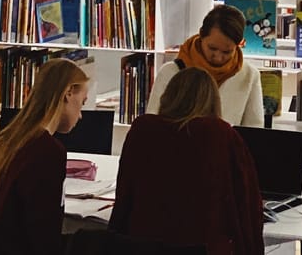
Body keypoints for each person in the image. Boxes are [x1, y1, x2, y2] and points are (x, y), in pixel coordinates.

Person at [112, 67, 264, 255]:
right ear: (213, 100)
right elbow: (246, 199)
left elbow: (125, 190)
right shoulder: (221, 134)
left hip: (143, 243)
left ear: (168, 96)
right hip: (205, 246)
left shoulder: (142, 129)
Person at [0, 58, 89, 255]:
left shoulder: (11, 140)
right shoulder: (48, 151)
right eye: (82, 103)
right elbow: (44, 232)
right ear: (68, 93)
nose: (80, 115)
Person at [146, 4, 263, 127]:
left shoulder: (249, 75)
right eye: (212, 48)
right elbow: (152, 124)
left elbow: (254, 129)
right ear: (201, 34)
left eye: (227, 52)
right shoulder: (170, 72)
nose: (218, 57)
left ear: (238, 45)